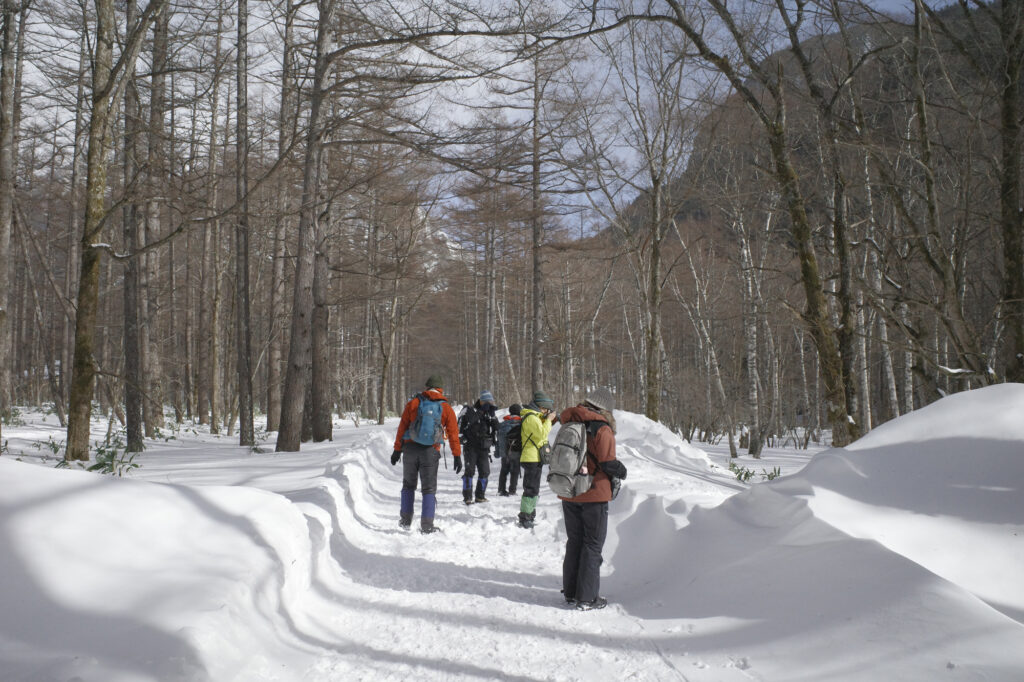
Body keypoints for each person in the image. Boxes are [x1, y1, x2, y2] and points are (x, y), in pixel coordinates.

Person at [557, 387, 627, 610]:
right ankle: (587, 598)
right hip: (594, 493)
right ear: (605, 408)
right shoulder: (601, 427)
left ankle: (571, 593)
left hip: (570, 490)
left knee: (575, 541)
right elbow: (607, 462)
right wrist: (622, 470)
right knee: (592, 544)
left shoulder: (569, 421)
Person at [392, 375, 462, 534]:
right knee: (429, 488)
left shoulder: (414, 403)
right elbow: (453, 433)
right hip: (430, 451)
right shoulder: (445, 407)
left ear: (427, 387)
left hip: (410, 449)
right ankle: (427, 525)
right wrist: (457, 455)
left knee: (408, 485)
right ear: (440, 389)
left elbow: (402, 428)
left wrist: (397, 450)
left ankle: (405, 521)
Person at [517, 390, 556, 529]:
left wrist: (547, 419)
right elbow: (541, 434)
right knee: (530, 488)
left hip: (535, 457)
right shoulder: (531, 418)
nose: (546, 411)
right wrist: (549, 420)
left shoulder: (535, 417)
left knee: (534, 488)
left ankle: (530, 513)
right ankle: (525, 516)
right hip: (530, 458)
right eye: (545, 409)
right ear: (540, 406)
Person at [458, 390, 499, 504]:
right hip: (470, 446)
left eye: (490, 401)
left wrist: (493, 416)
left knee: (485, 472)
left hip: (484, 447)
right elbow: (470, 420)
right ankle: (467, 497)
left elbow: (497, 428)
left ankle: (480, 496)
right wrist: (481, 411)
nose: (488, 404)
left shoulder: (488, 413)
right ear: (480, 401)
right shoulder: (469, 410)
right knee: (469, 471)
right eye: (486, 401)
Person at [496, 404, 522, 496]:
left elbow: (498, 439)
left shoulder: (503, 424)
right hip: (515, 451)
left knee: (504, 470)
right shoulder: (520, 423)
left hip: (504, 451)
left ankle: (501, 489)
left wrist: (498, 451)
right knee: (515, 471)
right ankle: (512, 490)